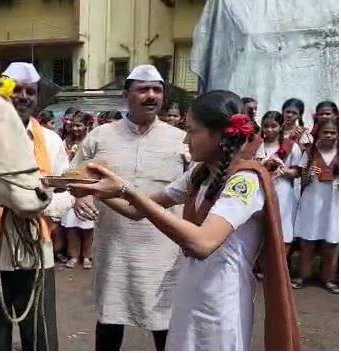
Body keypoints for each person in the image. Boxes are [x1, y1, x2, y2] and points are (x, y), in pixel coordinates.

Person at [68, 90, 300, 351]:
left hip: (222, 302)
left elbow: (202, 244)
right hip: (189, 292)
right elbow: (136, 210)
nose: (186, 140)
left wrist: (126, 190)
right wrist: (94, 189)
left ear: (220, 134)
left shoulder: (245, 181)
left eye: (192, 131)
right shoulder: (199, 175)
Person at [71, 64, 186, 351]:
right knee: (110, 321)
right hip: (114, 249)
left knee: (166, 325)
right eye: (143, 90)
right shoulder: (100, 136)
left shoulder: (182, 140)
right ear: (126, 95)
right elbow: (74, 176)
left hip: (164, 252)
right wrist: (81, 196)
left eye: (157, 90)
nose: (151, 96)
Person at [0, 62, 68, 350]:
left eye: (30, 91)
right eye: (16, 90)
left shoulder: (53, 141)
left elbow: (65, 190)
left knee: (42, 339)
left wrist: (38, 206)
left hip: (36, 252)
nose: (23, 96)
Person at [292, 117, 339, 294]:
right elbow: (300, 177)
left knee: (332, 242)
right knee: (307, 240)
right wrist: (308, 173)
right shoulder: (310, 151)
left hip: (334, 202)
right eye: (325, 132)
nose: (329, 135)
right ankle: (303, 275)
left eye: (333, 132)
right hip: (312, 199)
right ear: (318, 133)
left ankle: (328, 278)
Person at [255, 111, 302, 257]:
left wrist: (283, 169)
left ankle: (280, 267)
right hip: (260, 190)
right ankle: (258, 267)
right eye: (266, 126)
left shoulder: (292, 147)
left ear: (281, 126)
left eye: (273, 126)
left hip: (283, 191)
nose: (269, 130)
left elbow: (296, 172)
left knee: (283, 228)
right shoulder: (257, 146)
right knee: (260, 227)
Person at [60, 111, 95, 269]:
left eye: (79, 125)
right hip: (69, 186)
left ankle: (87, 256)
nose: (75, 129)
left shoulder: (92, 141)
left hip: (87, 186)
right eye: (73, 125)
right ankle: (73, 255)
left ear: (86, 126)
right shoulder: (65, 141)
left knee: (88, 225)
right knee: (71, 225)